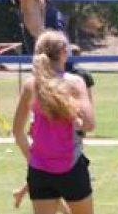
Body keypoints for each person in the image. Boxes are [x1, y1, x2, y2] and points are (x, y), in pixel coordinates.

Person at [13, 30, 96, 214]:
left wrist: (33, 159)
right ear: (63, 52)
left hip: (39, 171)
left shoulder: (30, 84)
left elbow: (17, 131)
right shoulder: (75, 82)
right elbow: (90, 124)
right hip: (71, 167)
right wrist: (76, 116)